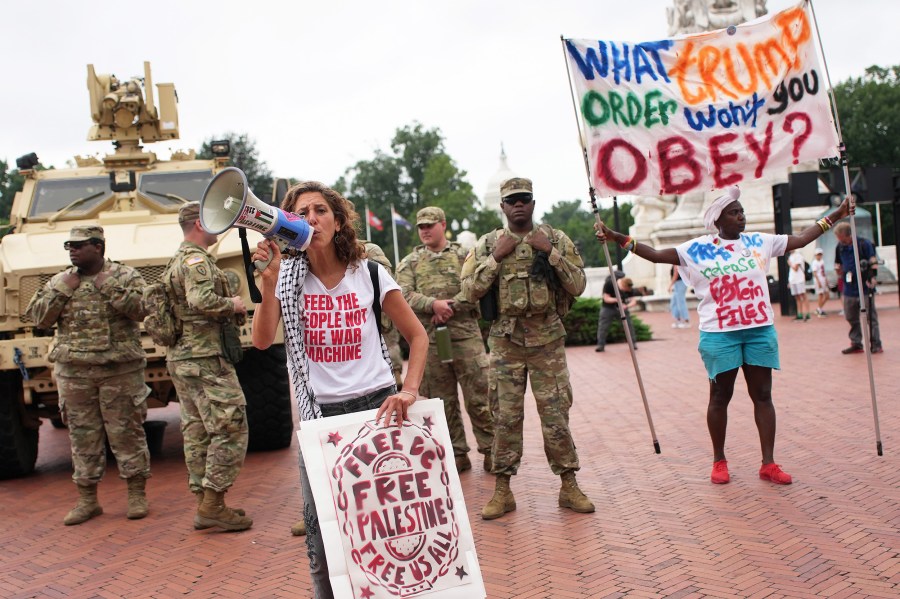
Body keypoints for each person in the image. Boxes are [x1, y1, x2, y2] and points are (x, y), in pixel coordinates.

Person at [594, 186, 852, 486]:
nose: (741, 217)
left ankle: (768, 463)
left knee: (763, 396)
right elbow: (654, 255)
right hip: (719, 334)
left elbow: (801, 238)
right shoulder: (697, 249)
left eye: (741, 211)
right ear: (718, 220)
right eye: (734, 213)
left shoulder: (760, 242)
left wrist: (836, 214)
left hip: (758, 331)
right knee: (719, 397)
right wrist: (616, 236)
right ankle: (719, 460)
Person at [250, 181, 427, 599]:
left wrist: (410, 391)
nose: (312, 219)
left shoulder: (368, 272)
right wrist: (269, 282)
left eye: (320, 211)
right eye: (300, 214)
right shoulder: (286, 276)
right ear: (289, 225)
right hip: (321, 419)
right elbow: (260, 341)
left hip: (378, 410)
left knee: (393, 525)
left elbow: (418, 337)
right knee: (323, 535)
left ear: (338, 219)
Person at [461, 176, 594, 520]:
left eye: (524, 199)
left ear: (533, 204)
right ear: (502, 207)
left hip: (547, 340)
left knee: (556, 417)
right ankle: (502, 491)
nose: (518, 204)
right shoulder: (489, 243)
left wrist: (549, 253)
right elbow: (470, 291)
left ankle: (568, 485)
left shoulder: (554, 239)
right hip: (506, 344)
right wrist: (495, 259)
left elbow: (579, 284)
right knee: (504, 418)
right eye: (512, 200)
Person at [27, 226, 151, 525]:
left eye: (79, 245)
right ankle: (87, 500)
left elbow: (142, 310)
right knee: (83, 436)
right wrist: (61, 290)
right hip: (74, 373)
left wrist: (109, 287)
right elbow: (38, 318)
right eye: (69, 245)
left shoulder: (124, 276)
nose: (72, 250)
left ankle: (136, 494)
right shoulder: (60, 281)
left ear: (98, 247)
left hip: (119, 370)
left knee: (126, 433)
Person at [166, 202, 253, 532]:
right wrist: (231, 304)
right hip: (204, 358)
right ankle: (213, 503)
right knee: (231, 424)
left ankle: (206, 503)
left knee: (198, 429)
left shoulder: (177, 259)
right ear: (199, 224)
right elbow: (200, 300)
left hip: (183, 358)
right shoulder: (196, 260)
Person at [397, 206, 494, 474]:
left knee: (479, 396)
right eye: (421, 226)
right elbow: (402, 294)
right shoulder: (410, 263)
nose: (425, 230)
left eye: (430, 225)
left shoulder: (465, 255)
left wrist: (449, 306)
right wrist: (432, 305)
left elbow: (477, 286)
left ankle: (490, 450)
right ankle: (456, 453)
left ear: (443, 224)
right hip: (430, 341)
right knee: (443, 401)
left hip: (466, 338)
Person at [833, 222, 882, 354]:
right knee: (850, 316)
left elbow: (873, 260)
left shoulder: (863, 244)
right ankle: (856, 342)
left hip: (864, 286)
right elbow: (838, 263)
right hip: (849, 287)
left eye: (838, 236)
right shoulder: (840, 247)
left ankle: (876, 343)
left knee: (870, 317)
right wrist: (838, 271)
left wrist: (872, 277)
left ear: (845, 235)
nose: (838, 238)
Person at [596, 273, 639, 351]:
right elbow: (606, 298)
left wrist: (627, 306)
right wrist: (617, 300)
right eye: (624, 290)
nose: (625, 291)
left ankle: (633, 344)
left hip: (622, 309)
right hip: (608, 308)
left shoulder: (629, 287)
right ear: (622, 285)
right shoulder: (609, 284)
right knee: (603, 327)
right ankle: (600, 345)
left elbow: (634, 301)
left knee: (628, 326)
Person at [787, 249, 810, 321]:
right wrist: (789, 281)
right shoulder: (790, 256)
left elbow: (795, 268)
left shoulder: (798, 255)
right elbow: (791, 271)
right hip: (793, 279)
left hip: (799, 279)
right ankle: (800, 313)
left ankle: (807, 313)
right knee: (797, 297)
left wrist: (790, 263)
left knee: (803, 295)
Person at [811, 247, 828, 317]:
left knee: (827, 295)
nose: (819, 256)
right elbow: (814, 273)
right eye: (818, 254)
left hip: (823, 279)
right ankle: (819, 310)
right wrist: (818, 282)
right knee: (820, 295)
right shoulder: (814, 262)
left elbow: (823, 271)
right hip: (819, 280)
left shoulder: (822, 261)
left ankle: (819, 308)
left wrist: (826, 279)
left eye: (820, 254)